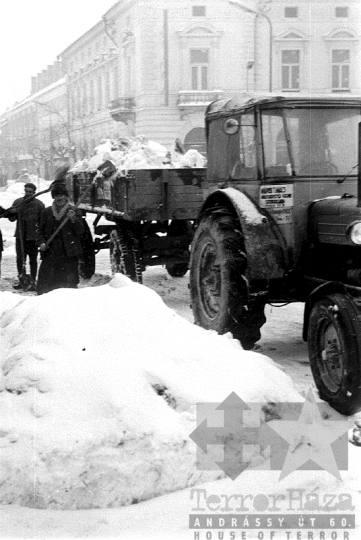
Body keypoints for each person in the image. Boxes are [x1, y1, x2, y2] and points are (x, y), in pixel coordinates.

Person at [36, 183, 84, 295]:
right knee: (46, 285)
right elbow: (40, 231)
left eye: (61, 195)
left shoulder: (74, 211)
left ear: (66, 196)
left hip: (68, 253)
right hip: (51, 253)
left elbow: (80, 231)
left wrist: (73, 219)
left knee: (68, 285)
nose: (59, 198)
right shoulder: (47, 212)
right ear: (53, 197)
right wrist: (42, 242)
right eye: (56, 196)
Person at [7, 182, 45, 290]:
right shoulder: (18, 202)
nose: (28, 194)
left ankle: (32, 281)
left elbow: (43, 222)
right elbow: (11, 219)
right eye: (26, 191)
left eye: (30, 192)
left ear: (34, 192)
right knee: (20, 259)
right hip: (20, 236)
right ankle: (22, 281)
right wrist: (13, 212)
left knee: (33, 260)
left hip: (33, 237)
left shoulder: (39, 205)